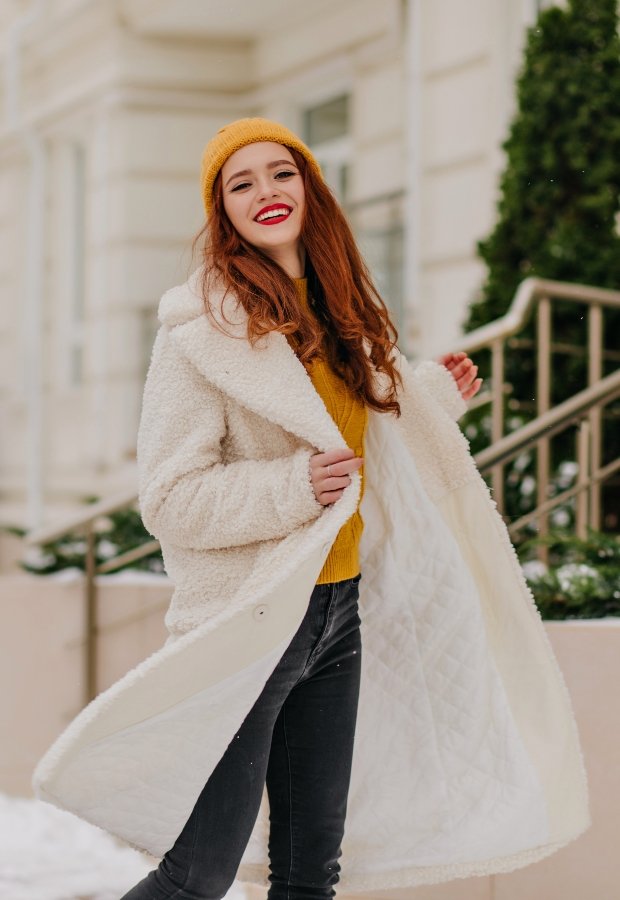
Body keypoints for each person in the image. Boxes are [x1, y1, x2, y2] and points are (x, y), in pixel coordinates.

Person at [31, 118, 589, 900]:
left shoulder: (342, 318)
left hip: (338, 616)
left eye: (281, 174)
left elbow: (364, 442)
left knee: (311, 873)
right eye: (241, 182)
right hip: (254, 624)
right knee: (199, 873)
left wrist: (428, 398)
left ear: (310, 188)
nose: (265, 192)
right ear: (221, 211)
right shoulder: (202, 334)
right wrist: (293, 488)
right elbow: (170, 498)